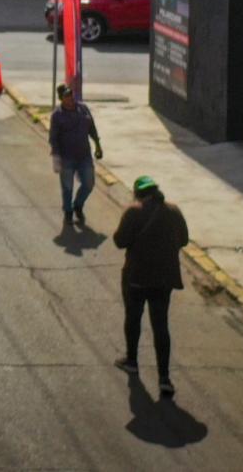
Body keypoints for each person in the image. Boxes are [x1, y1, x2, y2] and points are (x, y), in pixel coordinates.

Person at [113, 175, 188, 399]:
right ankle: (164, 378)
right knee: (161, 325)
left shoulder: (133, 212)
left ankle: (132, 360)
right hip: (164, 279)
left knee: (133, 318)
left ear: (138, 193)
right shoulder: (173, 211)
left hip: (137, 276)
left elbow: (119, 241)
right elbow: (184, 239)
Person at [49, 85, 104, 227]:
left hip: (84, 155)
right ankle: (68, 212)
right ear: (61, 98)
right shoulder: (57, 115)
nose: (70, 98)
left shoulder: (83, 109)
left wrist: (98, 145)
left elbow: (92, 128)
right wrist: (56, 157)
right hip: (66, 157)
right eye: (67, 96)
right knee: (67, 188)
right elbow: (53, 138)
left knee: (89, 184)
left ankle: (78, 205)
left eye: (71, 95)